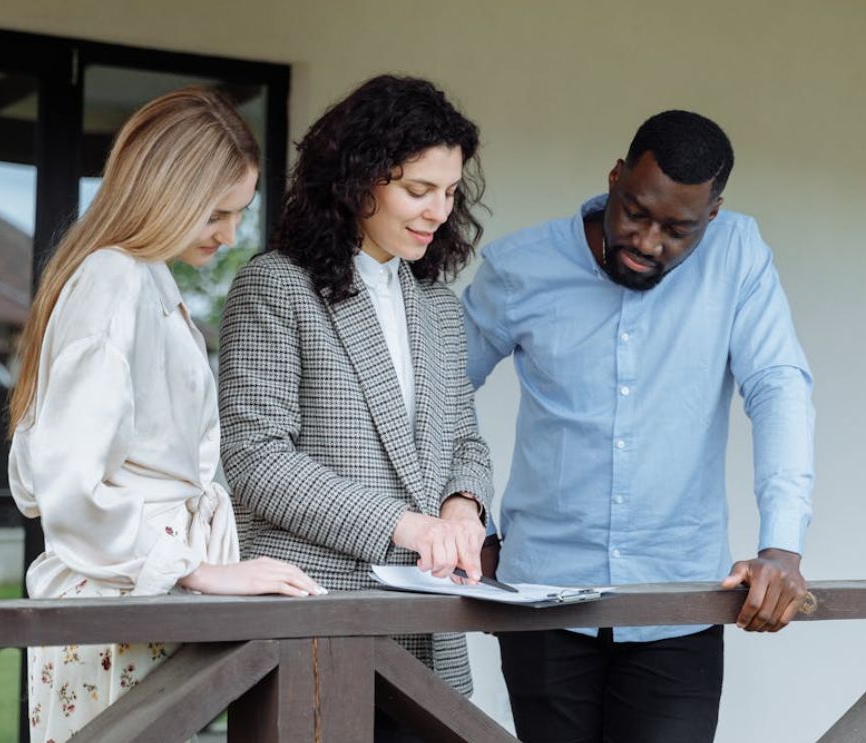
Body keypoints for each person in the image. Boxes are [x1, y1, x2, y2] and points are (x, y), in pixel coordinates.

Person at [462, 110, 815, 743]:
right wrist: (466, 519)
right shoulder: (521, 266)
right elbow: (439, 395)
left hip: (679, 604)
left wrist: (781, 546)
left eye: (678, 229)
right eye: (635, 212)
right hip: (542, 598)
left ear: (712, 215)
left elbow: (779, 387)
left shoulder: (739, 256)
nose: (649, 242)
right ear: (616, 177)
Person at [7, 87, 323, 743]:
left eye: (241, 213)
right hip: (113, 603)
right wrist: (195, 567)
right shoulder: (113, 279)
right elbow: (68, 481)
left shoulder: (138, 276)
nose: (231, 233)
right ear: (167, 192)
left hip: (132, 600)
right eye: (216, 212)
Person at [218, 75, 493, 740]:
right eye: (417, 189)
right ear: (355, 178)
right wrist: (411, 526)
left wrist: (462, 507)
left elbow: (466, 442)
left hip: (428, 635)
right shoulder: (275, 286)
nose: (437, 210)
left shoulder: (436, 306)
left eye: (450, 192)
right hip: (312, 624)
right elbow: (256, 460)